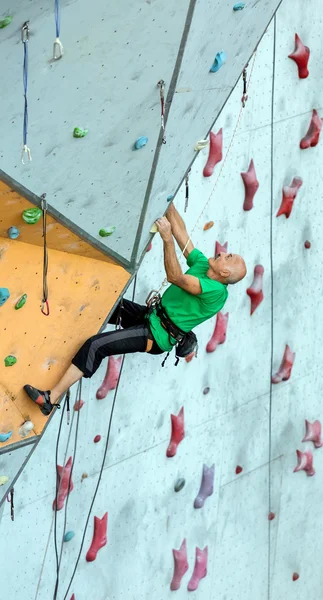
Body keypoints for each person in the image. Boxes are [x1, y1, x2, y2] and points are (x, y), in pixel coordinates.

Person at [23, 203, 247, 415]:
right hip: (150, 316)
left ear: (225, 274)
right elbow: (182, 233)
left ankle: (50, 399)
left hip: (156, 335)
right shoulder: (203, 264)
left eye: (228, 257)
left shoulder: (216, 292)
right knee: (107, 303)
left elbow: (175, 277)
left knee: (96, 345)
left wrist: (166, 239)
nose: (223, 252)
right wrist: (168, 203)